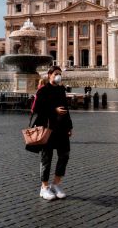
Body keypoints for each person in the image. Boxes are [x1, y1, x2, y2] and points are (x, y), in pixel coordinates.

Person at [32, 66, 72, 201]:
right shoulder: (43, 90)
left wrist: (69, 126)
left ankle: (56, 184)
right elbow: (37, 109)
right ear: (49, 75)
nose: (58, 76)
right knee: (46, 158)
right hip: (47, 128)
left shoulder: (61, 90)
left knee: (64, 155)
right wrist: (54, 110)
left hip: (61, 128)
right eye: (56, 74)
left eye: (60, 74)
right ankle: (44, 187)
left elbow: (66, 108)